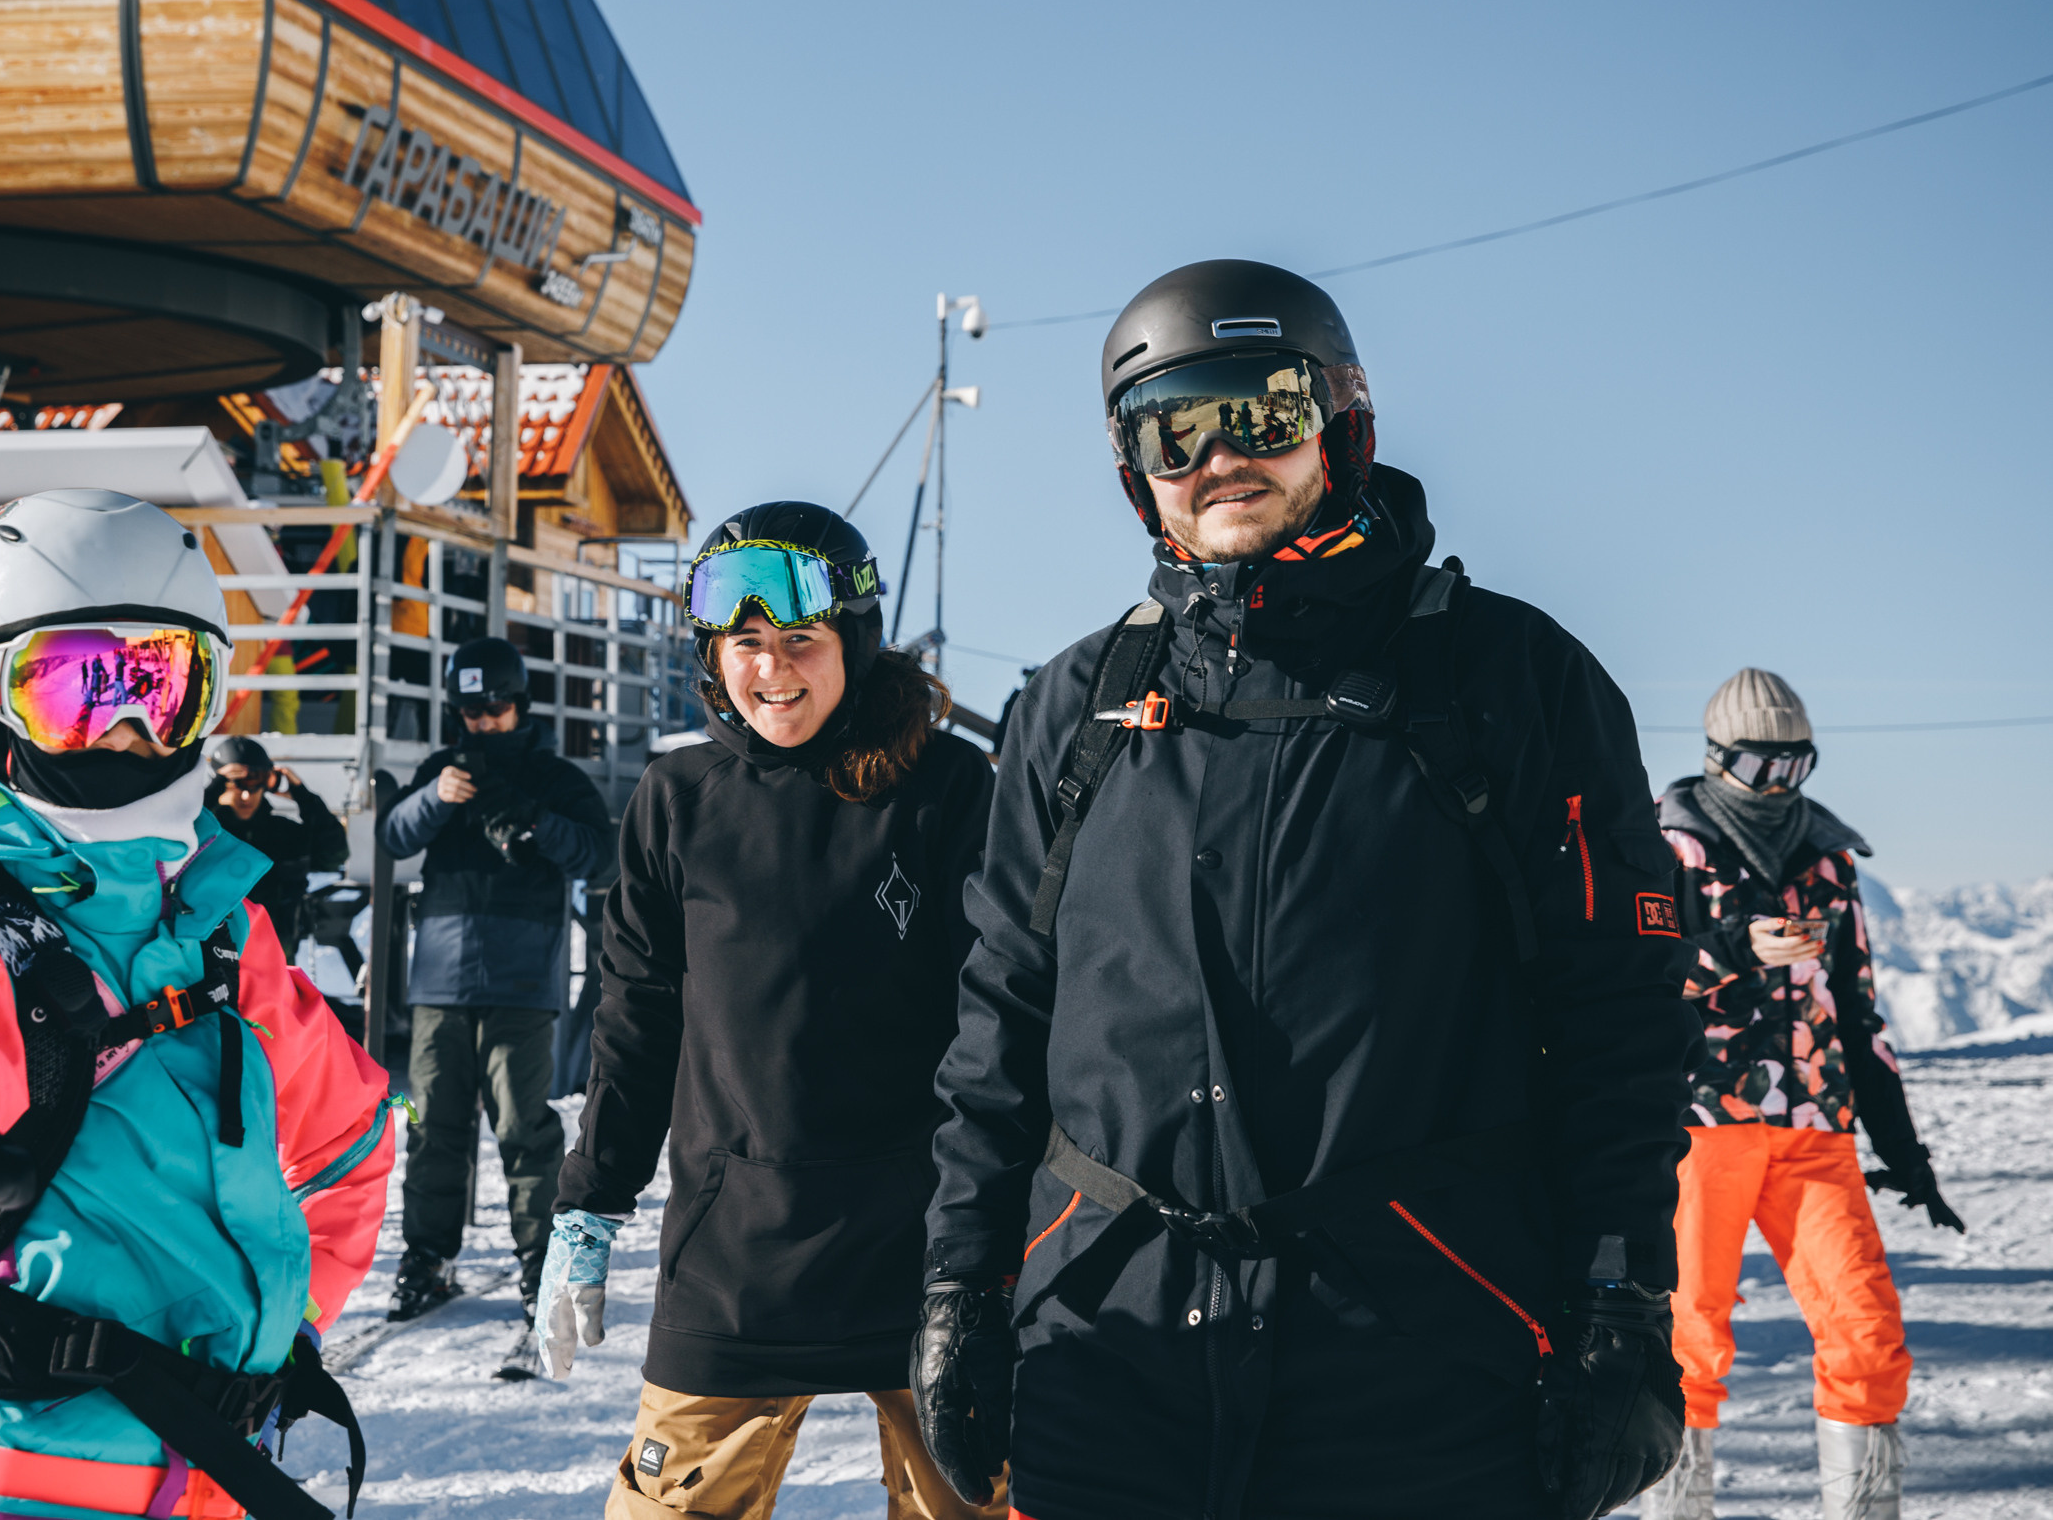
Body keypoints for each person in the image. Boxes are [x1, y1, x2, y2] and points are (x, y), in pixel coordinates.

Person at [913, 261, 1696, 1520]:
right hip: (1111, 1346)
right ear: (1134, 469)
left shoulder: (1508, 678)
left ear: (1341, 419)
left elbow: (1621, 1019)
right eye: (1173, 427)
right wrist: (958, 1289)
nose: (1220, 453)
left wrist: (1620, 1301)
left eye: (1262, 409)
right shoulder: (1076, 708)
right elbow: (998, 1021)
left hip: (1416, 1344)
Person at [0, 489, 394, 1514]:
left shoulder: (219, 922)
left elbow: (350, 1141)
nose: (135, 732)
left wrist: (280, 1330)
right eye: (79, 688)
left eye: (167, 686)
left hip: (219, 1478)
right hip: (12, 1486)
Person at [536, 502, 1007, 1520]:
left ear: (859, 644)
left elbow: (1002, 1018)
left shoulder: (945, 789)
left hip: (926, 1250)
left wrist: (1010, 1228)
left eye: (801, 639)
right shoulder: (676, 798)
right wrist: (589, 1201)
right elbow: (637, 1016)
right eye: (745, 642)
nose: (772, 667)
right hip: (734, 1252)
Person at [1646, 669, 1955, 1520]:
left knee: (1866, 1327)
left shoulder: (1829, 859)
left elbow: (1858, 1012)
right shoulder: (1663, 844)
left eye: (1796, 765)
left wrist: (1905, 1151)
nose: (1780, 784)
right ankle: (1676, 1508)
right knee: (1687, 1331)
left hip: (1816, 1123)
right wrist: (1738, 949)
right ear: (1717, 758)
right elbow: (1634, 976)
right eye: (1760, 765)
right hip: (1701, 1120)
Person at [374, 636, 609, 1376]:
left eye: (497, 706)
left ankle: (539, 1266)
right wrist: (434, 799)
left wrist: (535, 822)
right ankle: (428, 1257)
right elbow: (392, 834)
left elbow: (602, 856)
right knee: (433, 1123)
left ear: (521, 704)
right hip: (440, 975)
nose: (484, 720)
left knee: (522, 1128)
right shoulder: (441, 773)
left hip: (520, 976)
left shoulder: (555, 777)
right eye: (472, 708)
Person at [203, 734, 350, 963]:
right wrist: (211, 791)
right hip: (210, 959)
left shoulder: (286, 834)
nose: (245, 795)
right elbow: (178, 839)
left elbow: (334, 855)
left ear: (266, 783)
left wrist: (303, 796)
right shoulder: (205, 836)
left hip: (273, 960)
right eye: (235, 783)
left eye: (254, 785)